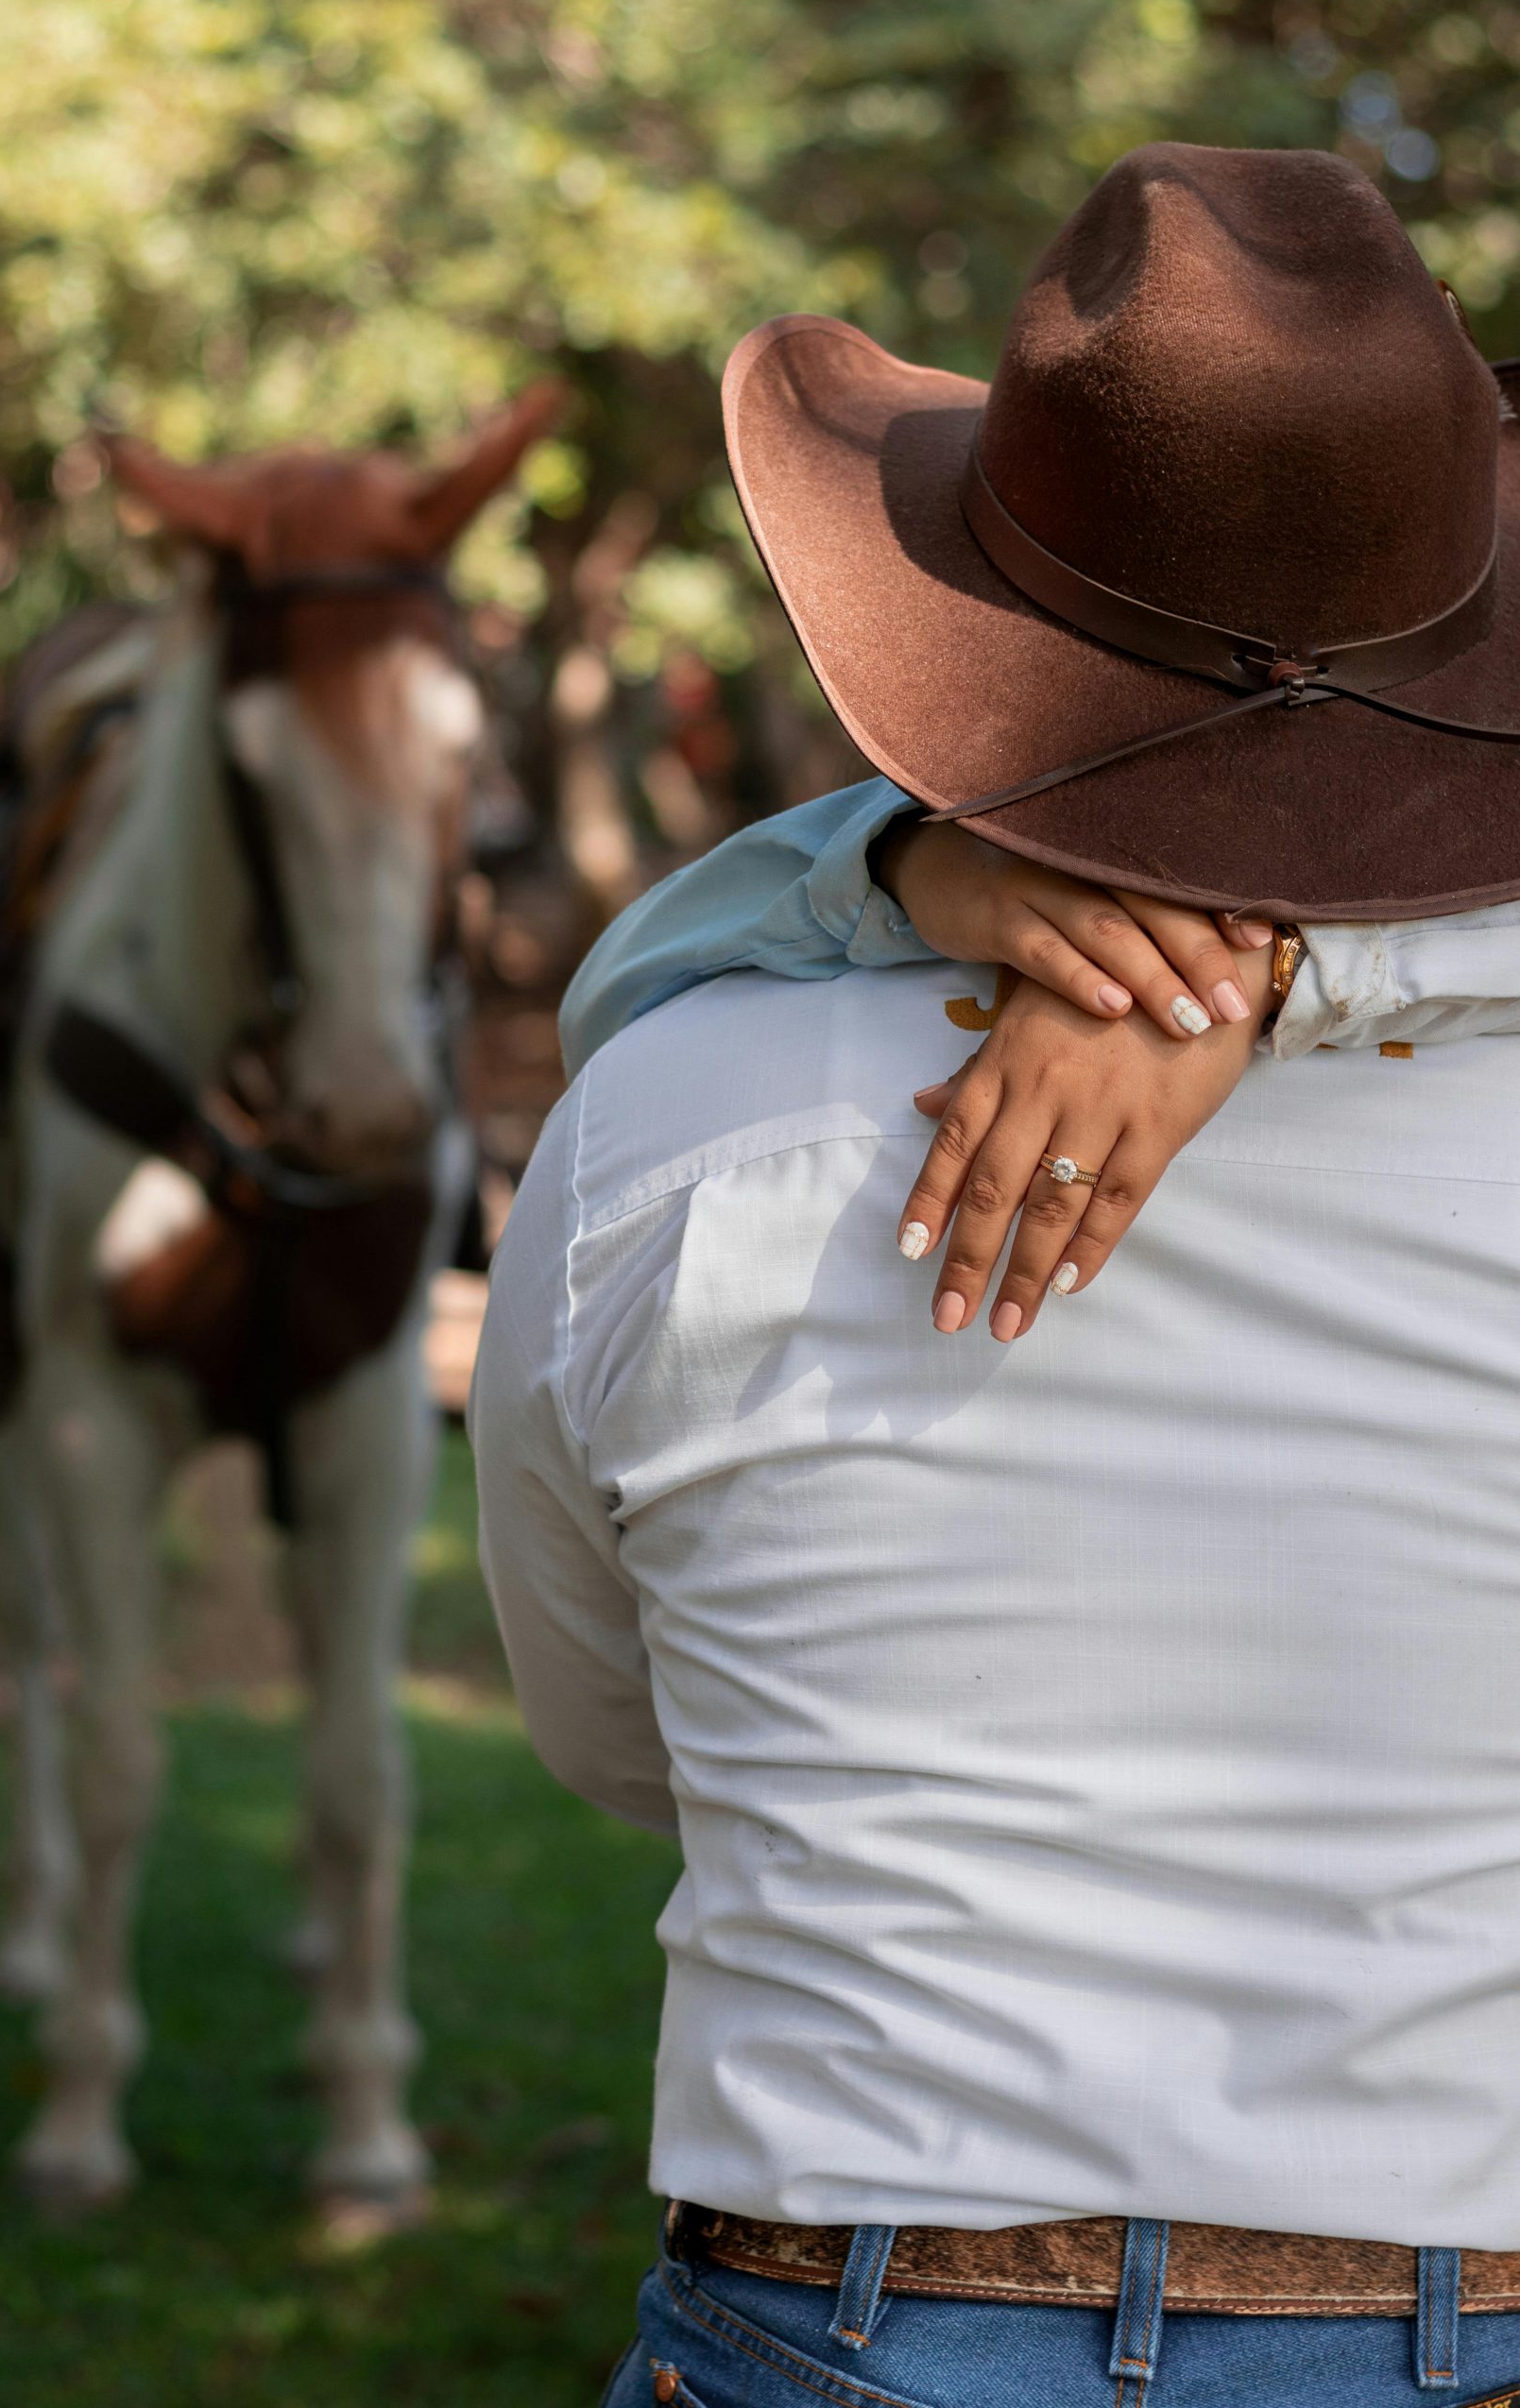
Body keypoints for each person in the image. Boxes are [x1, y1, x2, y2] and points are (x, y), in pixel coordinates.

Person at [472, 146, 1520, 2406]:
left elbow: (610, 1735)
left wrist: (882, 880)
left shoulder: (667, 1123)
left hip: (829, 2304)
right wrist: (1299, 974)